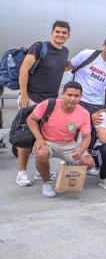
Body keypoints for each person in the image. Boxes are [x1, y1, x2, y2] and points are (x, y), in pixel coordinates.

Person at [16, 20, 71, 187]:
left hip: (50, 102)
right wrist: (24, 95)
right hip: (32, 97)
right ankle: (22, 173)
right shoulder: (39, 47)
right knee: (26, 137)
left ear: (68, 36)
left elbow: (60, 68)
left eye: (64, 33)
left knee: (43, 138)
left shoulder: (65, 51)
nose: (60, 35)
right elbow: (23, 69)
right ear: (52, 33)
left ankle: (41, 171)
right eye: (58, 32)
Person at [26, 82, 95, 198]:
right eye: (69, 95)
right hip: (47, 141)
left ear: (81, 97)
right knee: (41, 154)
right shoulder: (49, 104)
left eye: (76, 96)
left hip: (69, 144)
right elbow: (31, 120)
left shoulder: (84, 113)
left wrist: (81, 151)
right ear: (62, 94)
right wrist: (39, 138)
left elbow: (87, 136)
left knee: (89, 162)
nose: (72, 99)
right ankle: (46, 182)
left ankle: (69, 166)